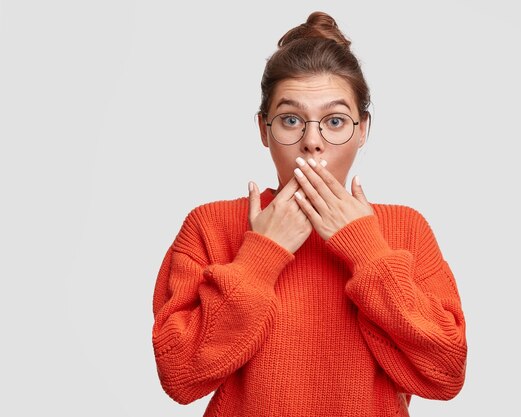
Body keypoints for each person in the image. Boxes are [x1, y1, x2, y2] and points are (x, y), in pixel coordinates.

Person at [152, 11, 467, 417]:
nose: (312, 142)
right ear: (264, 130)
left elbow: (446, 373)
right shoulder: (209, 226)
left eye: (335, 121)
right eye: (290, 120)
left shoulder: (405, 228)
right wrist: (260, 256)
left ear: (363, 130)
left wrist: (366, 252)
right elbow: (179, 375)